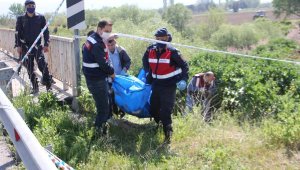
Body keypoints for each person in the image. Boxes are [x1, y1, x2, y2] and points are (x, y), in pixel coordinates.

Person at [142, 28, 189, 146]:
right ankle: (158, 126)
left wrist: (183, 80)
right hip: (156, 84)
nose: (159, 40)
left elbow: (184, 66)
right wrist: (148, 72)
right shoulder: (150, 50)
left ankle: (168, 137)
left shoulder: (173, 52)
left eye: (161, 38)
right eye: (157, 38)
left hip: (169, 86)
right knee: (153, 109)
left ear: (167, 38)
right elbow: (145, 60)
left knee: (165, 112)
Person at [82, 20, 115, 136]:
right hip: (96, 80)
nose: (108, 34)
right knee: (103, 108)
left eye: (110, 32)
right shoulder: (97, 44)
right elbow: (103, 63)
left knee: (104, 103)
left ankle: (101, 130)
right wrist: (112, 72)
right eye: (106, 31)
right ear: (99, 29)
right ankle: (98, 134)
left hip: (93, 77)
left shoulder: (92, 38)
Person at [15, 0, 53, 94]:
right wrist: (18, 45)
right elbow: (17, 33)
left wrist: (46, 44)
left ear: (35, 6)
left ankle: (49, 85)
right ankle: (35, 87)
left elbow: (46, 32)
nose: (31, 7)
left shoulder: (40, 17)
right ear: (26, 7)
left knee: (42, 65)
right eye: (29, 5)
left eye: (32, 5)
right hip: (25, 47)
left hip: (37, 47)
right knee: (29, 68)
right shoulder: (21, 19)